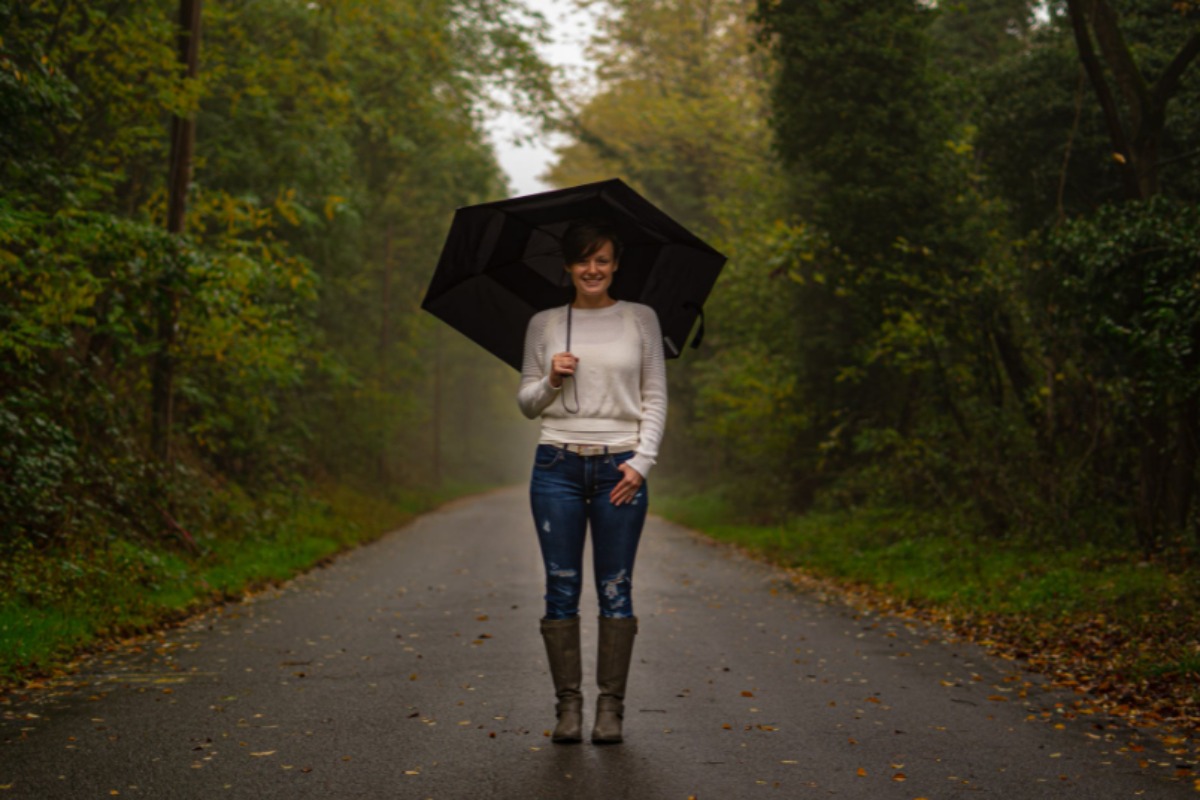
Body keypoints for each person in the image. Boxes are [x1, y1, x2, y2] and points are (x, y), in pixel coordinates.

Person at [517, 218, 667, 745]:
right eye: (583, 259)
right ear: (567, 266)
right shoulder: (544, 324)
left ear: (616, 264)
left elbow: (654, 397)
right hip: (556, 466)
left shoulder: (641, 319)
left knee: (615, 587)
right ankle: (568, 708)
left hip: (619, 468)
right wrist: (551, 379)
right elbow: (527, 405)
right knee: (561, 588)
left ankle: (610, 709)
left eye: (602, 259)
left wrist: (641, 462)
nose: (592, 269)